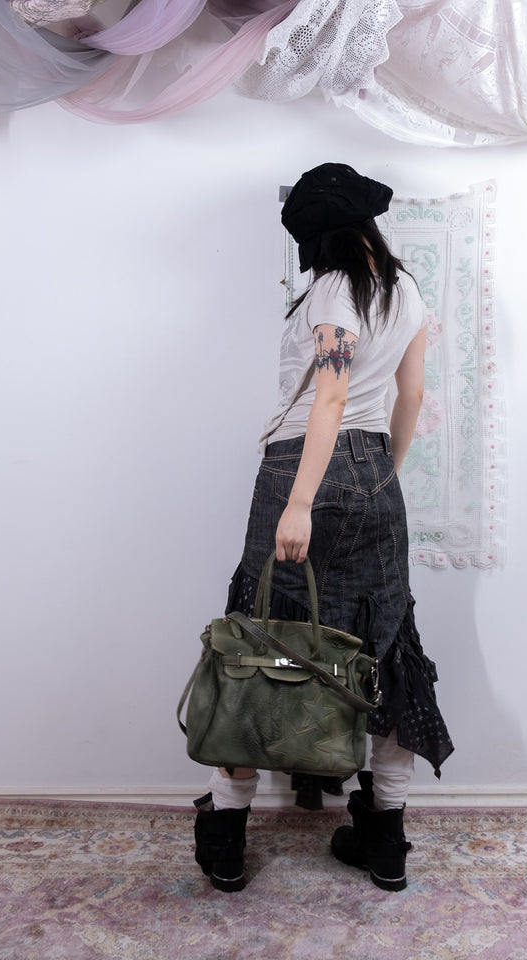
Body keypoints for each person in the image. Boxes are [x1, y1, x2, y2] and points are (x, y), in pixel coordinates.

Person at [193, 162, 454, 893]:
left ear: (318, 235)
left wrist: (303, 500)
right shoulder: (407, 290)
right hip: (374, 471)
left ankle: (226, 836)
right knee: (385, 645)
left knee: (259, 637)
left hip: (300, 467)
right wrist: (383, 472)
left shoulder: (336, 287)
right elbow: (411, 393)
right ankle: (385, 839)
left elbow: (330, 397)